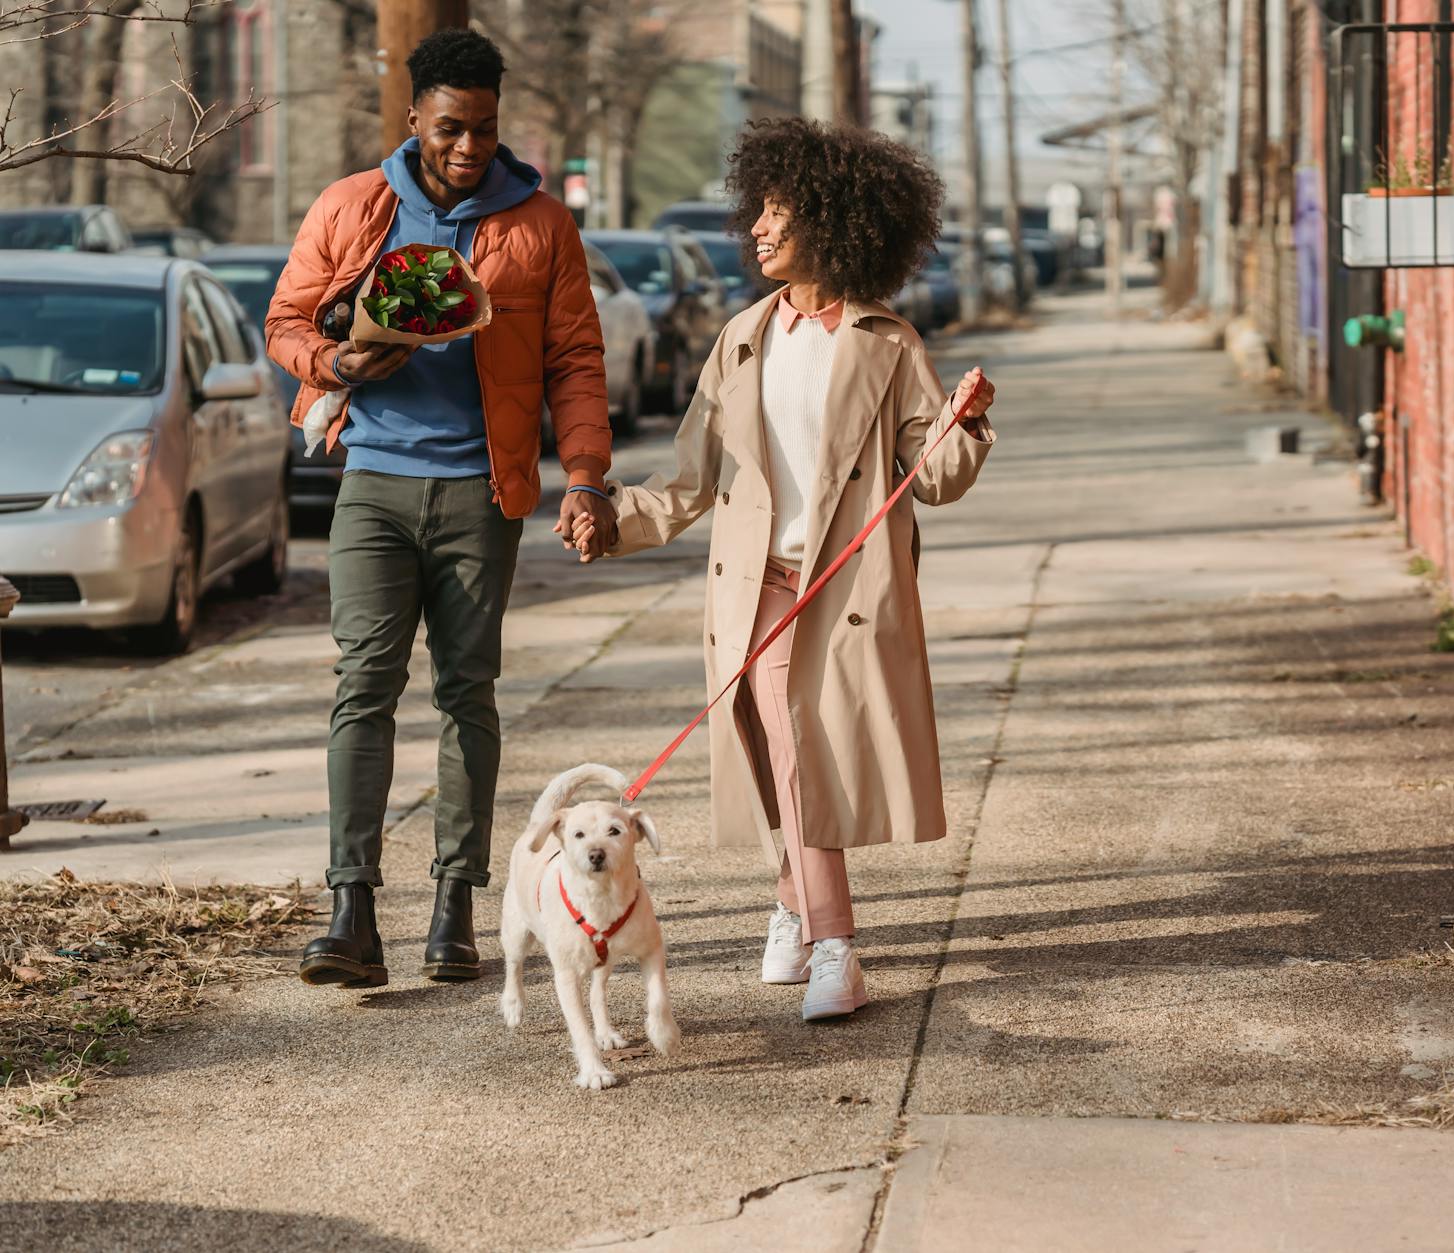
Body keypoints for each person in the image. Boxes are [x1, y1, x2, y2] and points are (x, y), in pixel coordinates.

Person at [572, 118, 997, 1021]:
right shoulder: (741, 338)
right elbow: (689, 481)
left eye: (780, 210)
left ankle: (830, 937)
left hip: (842, 588)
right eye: (757, 209)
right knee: (779, 750)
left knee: (797, 751)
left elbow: (938, 480)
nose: (757, 228)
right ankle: (796, 909)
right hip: (754, 583)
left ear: (837, 224)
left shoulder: (888, 344)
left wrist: (964, 420)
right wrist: (612, 522)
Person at [267, 28, 619, 988]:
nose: (468, 147)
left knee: (467, 692)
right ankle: (351, 911)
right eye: (451, 127)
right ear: (415, 114)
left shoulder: (541, 224)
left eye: (485, 130)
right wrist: (335, 361)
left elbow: (575, 360)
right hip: (372, 481)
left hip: (483, 490)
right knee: (363, 685)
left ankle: (455, 907)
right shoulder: (355, 206)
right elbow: (285, 322)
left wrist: (584, 474)